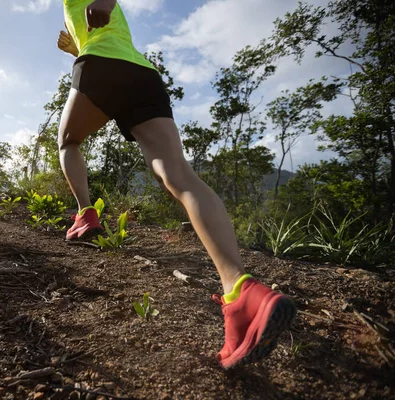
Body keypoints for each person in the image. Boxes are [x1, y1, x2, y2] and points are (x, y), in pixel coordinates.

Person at [56, 0, 296, 369]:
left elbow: (101, 22)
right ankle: (241, 291)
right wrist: (76, 45)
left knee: (68, 141)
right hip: (141, 74)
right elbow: (103, 31)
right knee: (177, 174)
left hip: (102, 64)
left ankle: (86, 214)